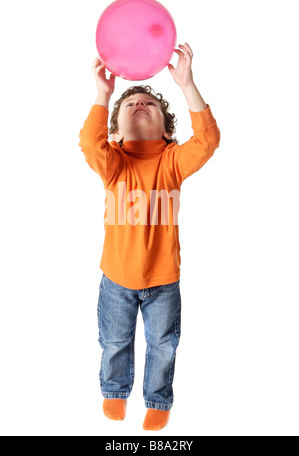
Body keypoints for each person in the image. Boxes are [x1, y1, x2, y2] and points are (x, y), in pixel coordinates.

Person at [79, 43, 220, 431]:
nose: (140, 105)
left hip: (163, 282)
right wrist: (103, 94)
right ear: (115, 126)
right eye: (130, 105)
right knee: (114, 343)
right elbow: (90, 144)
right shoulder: (113, 162)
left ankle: (158, 399)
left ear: (167, 128)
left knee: (163, 345)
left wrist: (187, 85)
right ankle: (114, 391)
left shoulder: (172, 162)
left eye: (150, 105)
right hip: (116, 281)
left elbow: (207, 141)